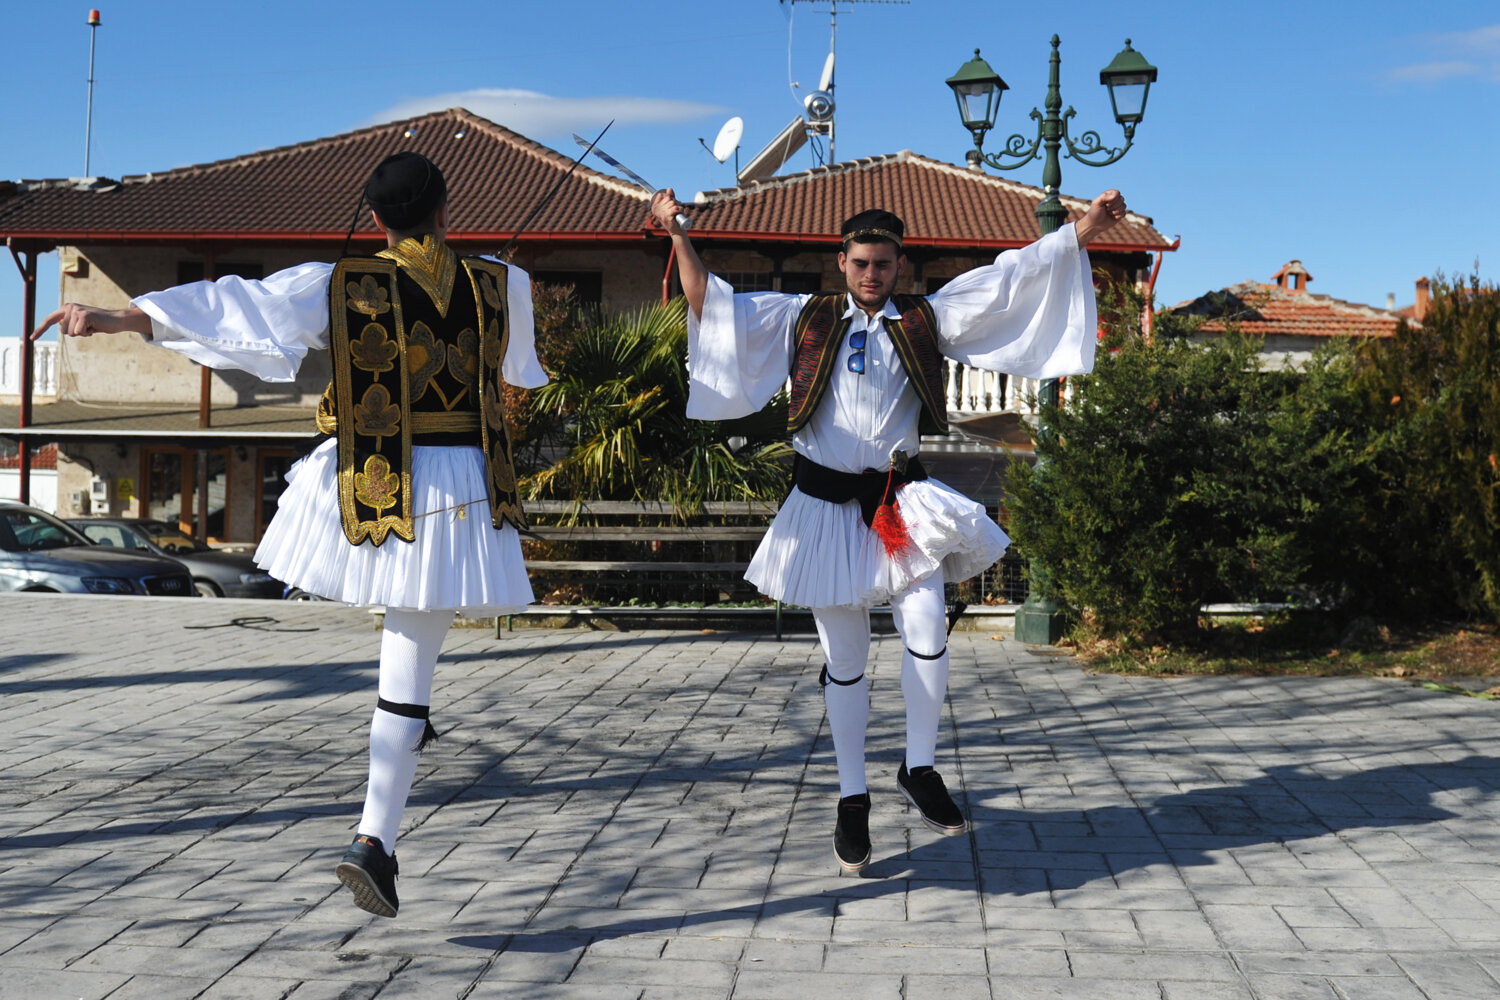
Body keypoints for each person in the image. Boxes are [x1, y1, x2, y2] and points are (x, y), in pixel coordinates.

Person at [36, 152, 548, 917]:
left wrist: (121, 317)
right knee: (408, 663)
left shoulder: (342, 283)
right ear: (447, 209)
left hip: (379, 480)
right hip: (465, 494)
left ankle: (396, 771)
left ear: (375, 219)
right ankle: (376, 831)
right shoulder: (504, 282)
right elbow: (523, 371)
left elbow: (241, 307)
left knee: (407, 660)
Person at [649, 187, 1127, 872]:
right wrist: (677, 234)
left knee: (928, 628)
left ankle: (919, 767)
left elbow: (1011, 278)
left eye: (883, 264)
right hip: (823, 508)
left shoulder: (925, 318)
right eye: (861, 263)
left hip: (900, 504)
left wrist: (1086, 227)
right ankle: (852, 798)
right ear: (841, 263)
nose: (872, 274)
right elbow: (712, 304)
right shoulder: (804, 316)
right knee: (846, 661)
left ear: (899, 265)